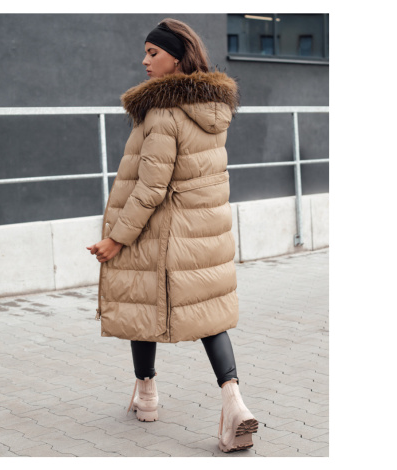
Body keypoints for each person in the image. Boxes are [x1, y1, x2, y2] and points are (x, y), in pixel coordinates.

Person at [86, 18, 258, 453]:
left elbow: (151, 188)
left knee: (141, 299)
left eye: (153, 53)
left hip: (162, 231)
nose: (144, 61)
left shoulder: (163, 112)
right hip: (205, 236)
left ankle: (147, 395)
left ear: (177, 59)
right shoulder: (212, 109)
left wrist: (117, 238)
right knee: (210, 317)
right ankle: (233, 402)